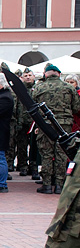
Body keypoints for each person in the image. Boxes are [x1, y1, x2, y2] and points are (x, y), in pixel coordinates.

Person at [34, 64, 80, 195]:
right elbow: (76, 107)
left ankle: (47, 184)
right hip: (64, 124)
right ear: (59, 74)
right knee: (61, 154)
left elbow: (33, 108)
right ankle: (59, 185)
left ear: (46, 74)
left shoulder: (39, 87)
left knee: (46, 154)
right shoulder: (69, 87)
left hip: (45, 125)